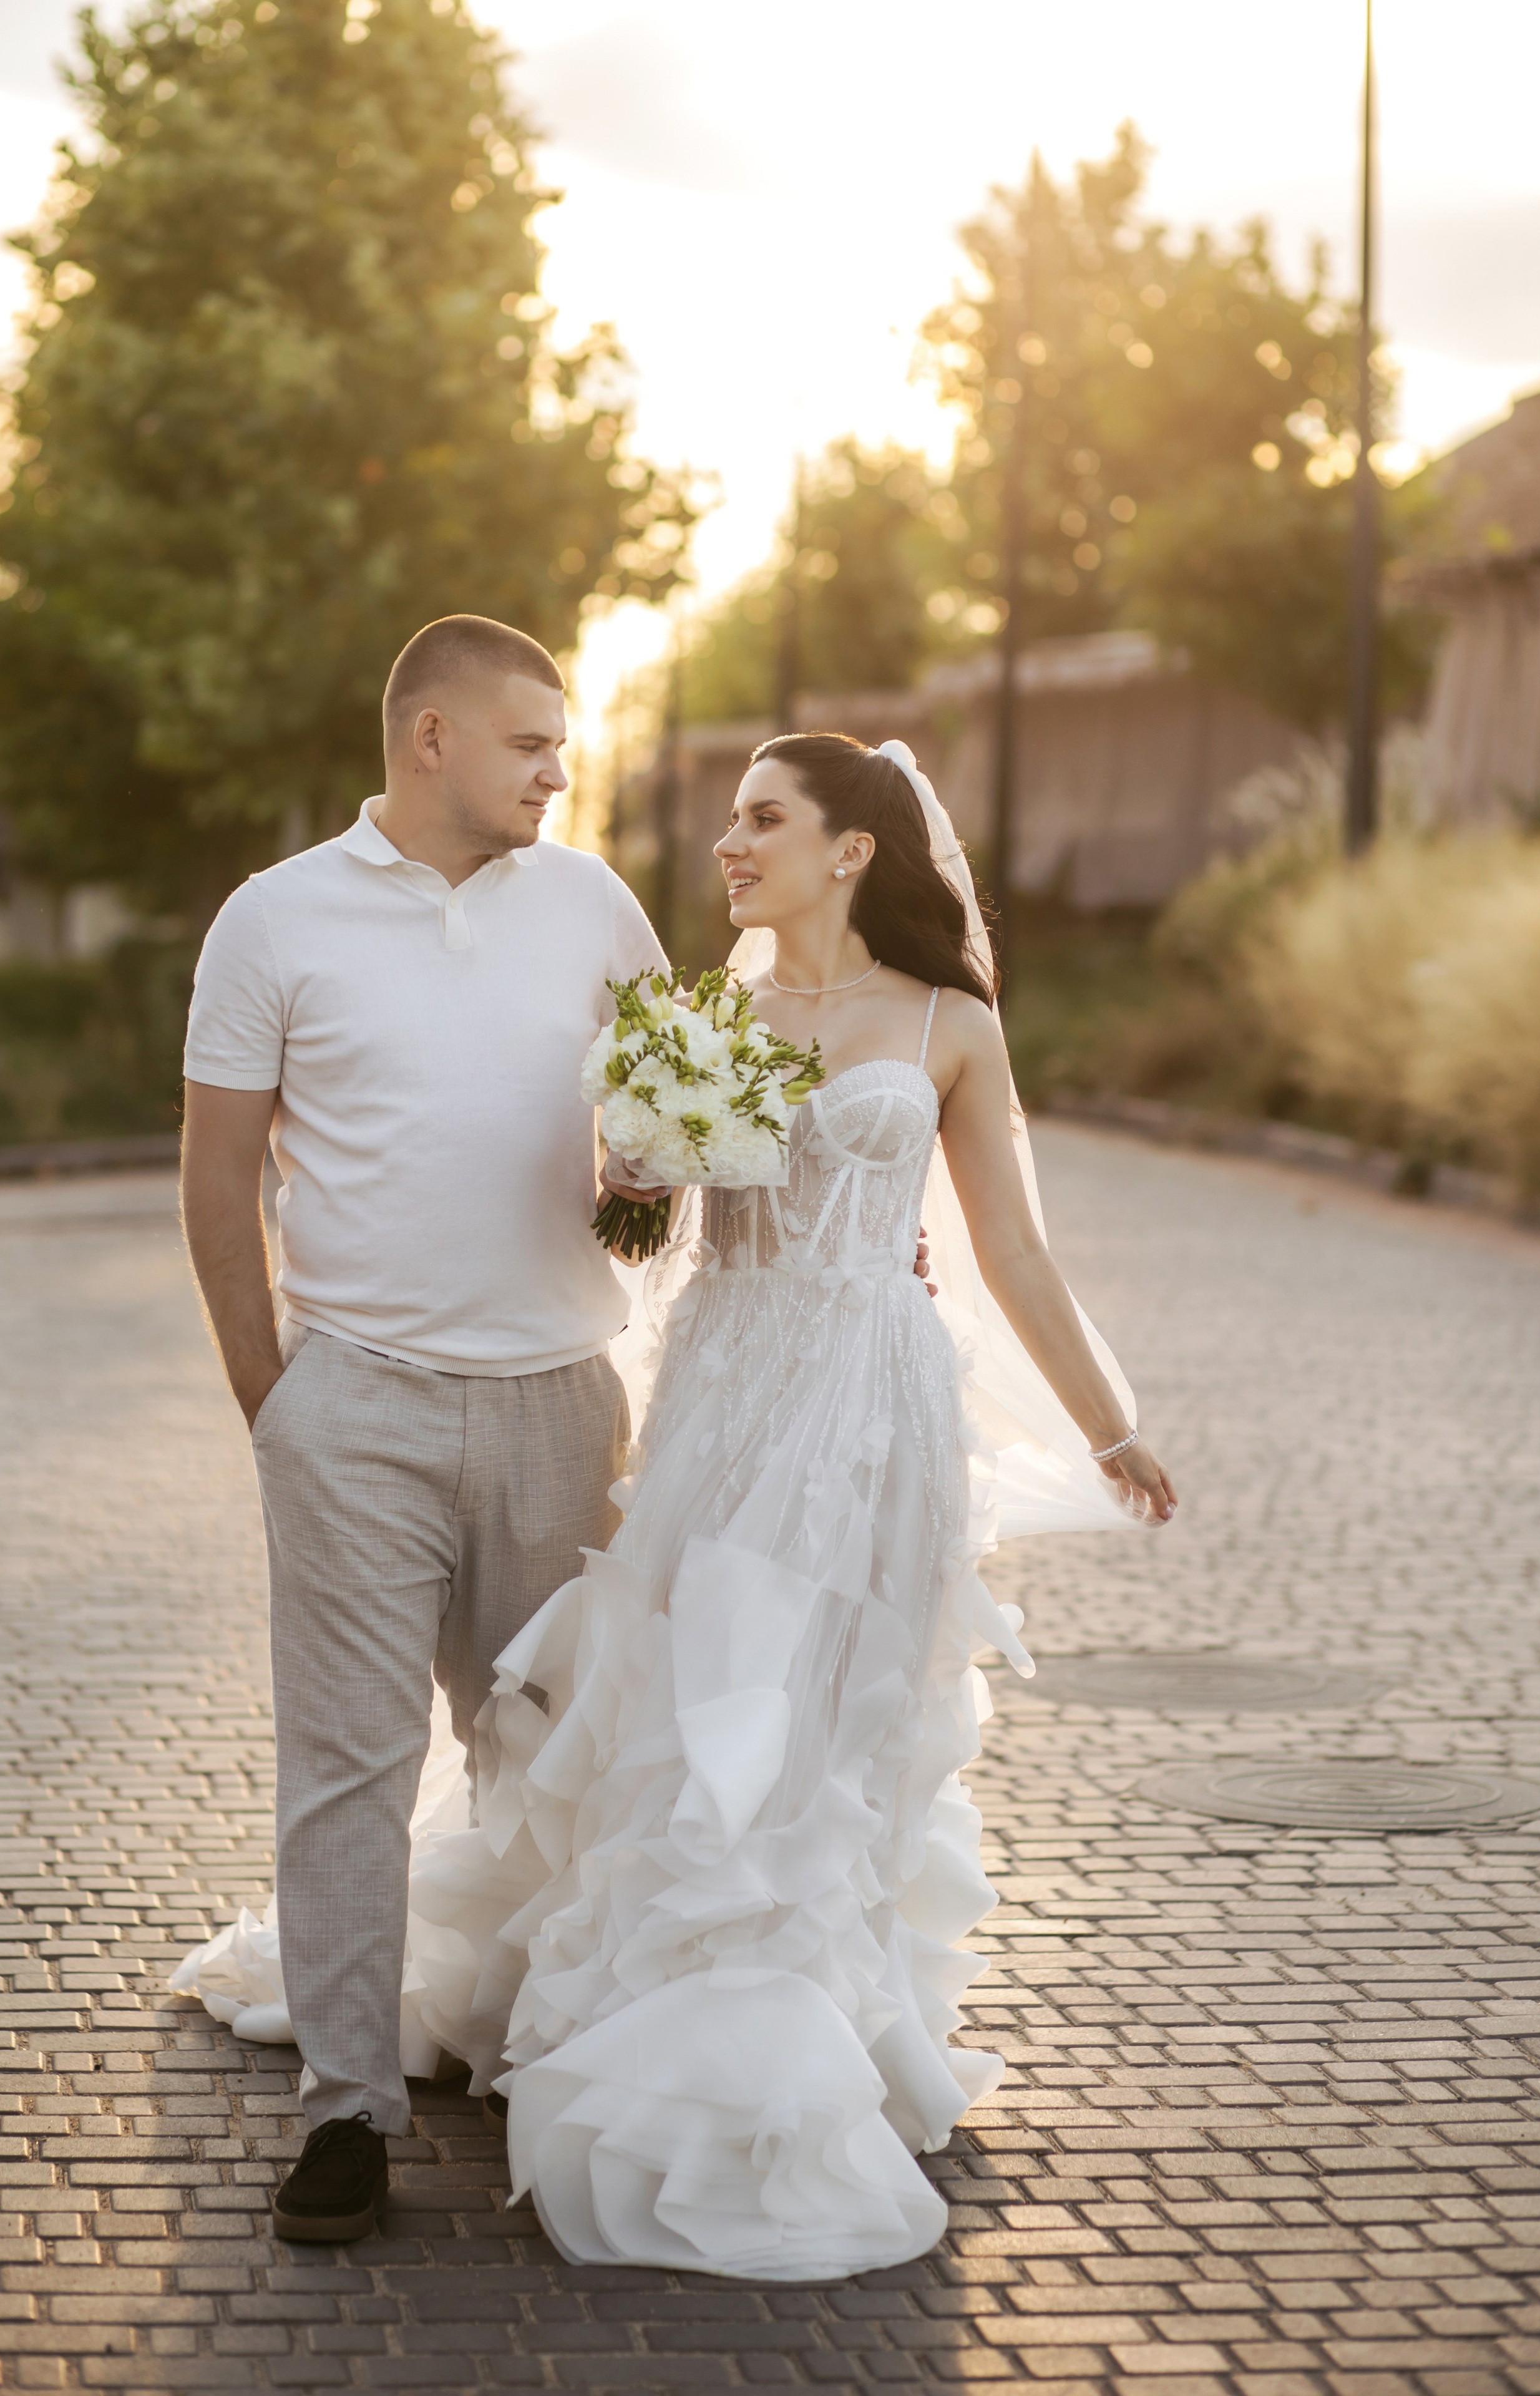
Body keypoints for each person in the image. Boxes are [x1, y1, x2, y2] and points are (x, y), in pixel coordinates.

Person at [271, 729, 1177, 2280]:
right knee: (691, 1705)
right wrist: (633, 1170)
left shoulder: (950, 1022)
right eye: (730, 822)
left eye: (763, 819)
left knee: (829, 1721)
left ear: (850, 849)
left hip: (874, 1403)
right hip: (726, 1387)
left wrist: (1112, 1423)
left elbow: (1011, 1250)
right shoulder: (703, 1020)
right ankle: (661, 2017)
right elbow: (638, 1225)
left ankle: (817, 2019)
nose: (730, 846)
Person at [176, 615, 673, 2243]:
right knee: (347, 1768)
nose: (557, 773)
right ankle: (346, 2113)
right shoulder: (273, 919)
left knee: (549, 1751)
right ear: (431, 737)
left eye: (563, 748)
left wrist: (665, 1186)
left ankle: (544, 2051)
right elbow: (216, 1177)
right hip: (356, 1405)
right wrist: (276, 1399)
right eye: (531, 743)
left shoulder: (595, 905)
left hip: (565, 1402)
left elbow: (675, 1127)